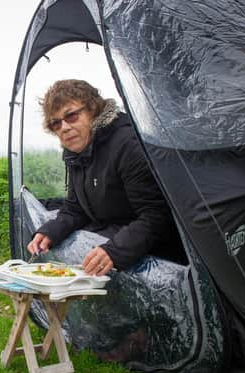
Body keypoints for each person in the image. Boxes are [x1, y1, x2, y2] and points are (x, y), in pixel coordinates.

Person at [27, 79, 184, 275]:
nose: (64, 127)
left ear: (93, 110)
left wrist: (114, 252)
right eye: (55, 123)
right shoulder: (76, 152)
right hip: (112, 233)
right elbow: (76, 208)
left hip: (157, 253)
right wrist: (50, 232)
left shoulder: (128, 144)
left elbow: (158, 216)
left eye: (72, 116)